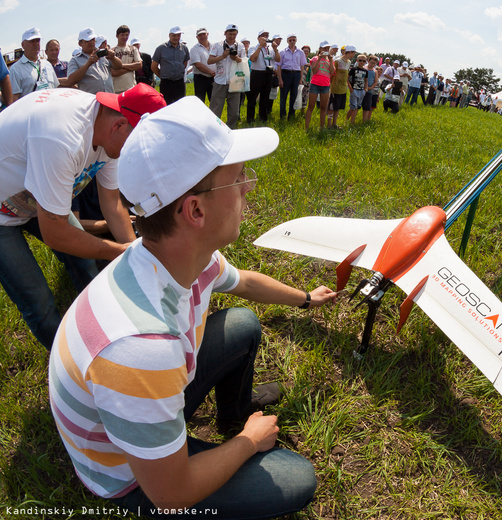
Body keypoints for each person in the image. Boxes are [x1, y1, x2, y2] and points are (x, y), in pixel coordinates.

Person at [49, 96, 337, 518]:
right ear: (195, 210)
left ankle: (232, 415)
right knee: (297, 479)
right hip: (130, 477)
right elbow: (171, 495)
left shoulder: (172, 256)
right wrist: (249, 442)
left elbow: (246, 283)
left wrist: (306, 298)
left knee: (241, 323)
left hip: (148, 396)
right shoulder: (141, 346)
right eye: (238, 177)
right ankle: (233, 431)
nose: (249, 186)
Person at [0, 83, 165, 350]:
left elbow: (112, 204)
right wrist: (117, 252)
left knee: (85, 263)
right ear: (120, 125)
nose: (131, 154)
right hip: (2, 214)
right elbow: (55, 233)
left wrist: (135, 250)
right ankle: (70, 366)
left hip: (36, 198)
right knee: (39, 301)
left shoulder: (110, 125)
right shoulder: (62, 138)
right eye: (135, 145)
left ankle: (105, 332)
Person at [208, 24, 246, 129]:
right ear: (225, 33)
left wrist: (237, 58)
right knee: (215, 110)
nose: (232, 36)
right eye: (230, 34)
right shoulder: (217, 45)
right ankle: (215, 130)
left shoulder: (241, 46)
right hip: (220, 81)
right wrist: (223, 56)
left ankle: (229, 130)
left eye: (234, 34)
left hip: (235, 82)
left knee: (234, 113)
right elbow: (210, 60)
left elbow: (244, 62)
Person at [10, 28, 59, 102]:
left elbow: (56, 88)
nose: (36, 44)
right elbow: (14, 99)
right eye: (32, 41)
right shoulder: (15, 69)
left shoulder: (47, 64)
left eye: (38, 40)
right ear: (23, 45)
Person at [247, 30, 280, 124]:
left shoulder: (271, 48)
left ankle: (263, 118)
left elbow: (278, 59)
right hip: (256, 74)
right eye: (263, 36)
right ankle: (250, 119)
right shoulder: (254, 47)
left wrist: (275, 49)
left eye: (267, 36)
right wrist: (260, 47)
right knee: (252, 98)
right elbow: (253, 59)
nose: (266, 37)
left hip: (268, 74)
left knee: (265, 98)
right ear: (258, 38)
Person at [152, 26, 190, 105]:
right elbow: (153, 66)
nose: (176, 38)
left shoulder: (184, 48)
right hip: (166, 83)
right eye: (174, 35)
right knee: (166, 105)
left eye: (178, 35)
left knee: (180, 105)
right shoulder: (161, 48)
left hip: (179, 82)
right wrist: (162, 76)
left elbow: (185, 63)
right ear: (169, 35)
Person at [303, 41, 334, 131]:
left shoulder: (330, 60)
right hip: (315, 84)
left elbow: (332, 72)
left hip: (325, 85)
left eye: (328, 48)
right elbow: (314, 70)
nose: (326, 50)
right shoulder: (315, 58)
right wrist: (320, 59)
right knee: (311, 106)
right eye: (324, 48)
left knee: (323, 107)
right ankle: (307, 127)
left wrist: (331, 60)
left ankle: (321, 127)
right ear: (320, 49)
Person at [277, 34, 307, 121]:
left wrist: (301, 78)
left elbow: (302, 66)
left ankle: (291, 115)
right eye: (290, 40)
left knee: (294, 96)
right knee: (283, 96)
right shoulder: (282, 52)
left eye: (293, 40)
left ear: (296, 40)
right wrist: (280, 79)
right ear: (287, 41)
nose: (292, 42)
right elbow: (279, 66)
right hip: (285, 74)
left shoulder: (300, 53)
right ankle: (282, 116)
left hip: (296, 75)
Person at [328, 45, 355, 128]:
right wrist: (330, 84)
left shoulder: (349, 62)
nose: (354, 55)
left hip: (343, 88)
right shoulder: (338, 61)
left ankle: (334, 124)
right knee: (332, 107)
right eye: (353, 53)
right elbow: (332, 73)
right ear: (350, 52)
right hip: (335, 87)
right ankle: (329, 125)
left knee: (338, 107)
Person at [111, 25, 142, 94]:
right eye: (122, 35)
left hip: (131, 87)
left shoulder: (133, 49)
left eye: (127, 35)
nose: (125, 37)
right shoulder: (112, 52)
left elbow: (139, 65)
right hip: (117, 89)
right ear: (117, 36)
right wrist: (131, 67)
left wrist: (120, 66)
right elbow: (113, 73)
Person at [190, 28, 216, 103]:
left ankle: (213, 115)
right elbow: (198, 65)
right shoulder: (194, 49)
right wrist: (210, 72)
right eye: (199, 35)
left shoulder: (215, 47)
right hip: (200, 79)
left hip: (214, 78)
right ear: (197, 37)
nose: (202, 36)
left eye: (203, 34)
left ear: (207, 34)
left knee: (214, 101)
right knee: (200, 102)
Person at [346, 54, 369, 125]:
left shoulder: (366, 71)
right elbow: (347, 78)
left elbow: (366, 80)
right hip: (354, 90)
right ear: (357, 61)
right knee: (353, 107)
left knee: (357, 107)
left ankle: (351, 121)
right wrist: (350, 88)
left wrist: (366, 88)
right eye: (360, 60)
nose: (362, 62)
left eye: (363, 61)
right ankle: (348, 121)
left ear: (366, 62)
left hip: (361, 90)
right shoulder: (353, 69)